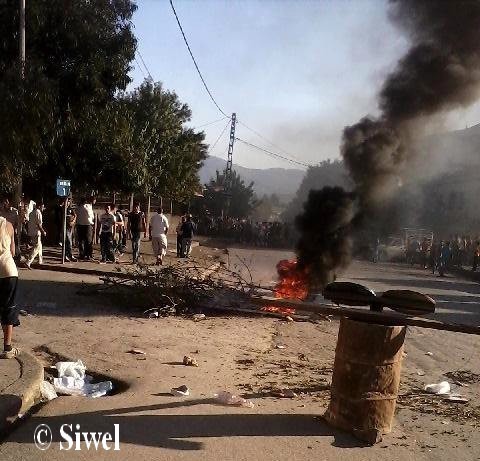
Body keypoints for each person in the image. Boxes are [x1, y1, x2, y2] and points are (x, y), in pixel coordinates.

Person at [0, 216, 20, 359]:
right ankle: (7, 348)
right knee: (8, 308)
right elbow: (13, 252)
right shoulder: (8, 225)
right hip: (8, 271)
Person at [25, 202, 46, 269]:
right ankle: (28, 261)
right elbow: (39, 224)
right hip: (36, 232)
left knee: (39, 245)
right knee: (37, 247)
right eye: (42, 207)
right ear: (39, 206)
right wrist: (43, 231)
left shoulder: (31, 213)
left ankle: (40, 260)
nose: (43, 208)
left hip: (31, 232)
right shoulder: (38, 212)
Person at [0, 197, 20, 262]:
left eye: (7, 201)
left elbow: (17, 222)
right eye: (4, 202)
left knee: (14, 246)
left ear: (10, 203)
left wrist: (15, 230)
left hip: (12, 231)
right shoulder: (1, 211)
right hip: (2, 232)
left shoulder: (15, 211)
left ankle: (14, 258)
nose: (5, 203)